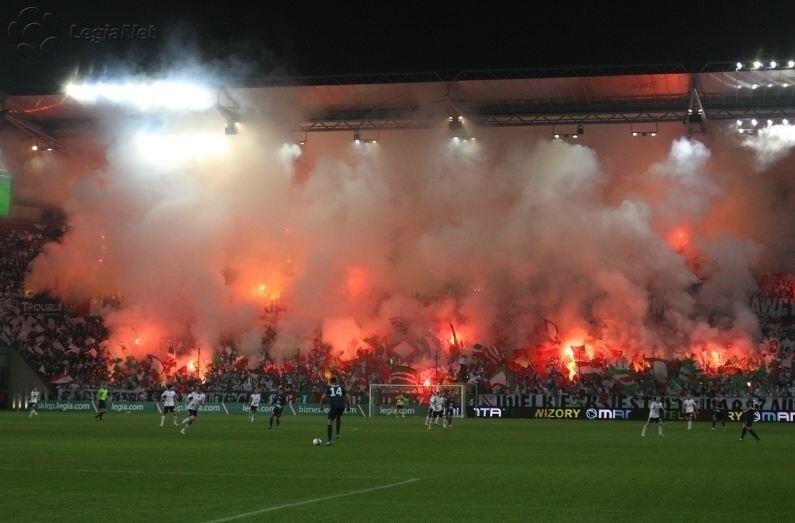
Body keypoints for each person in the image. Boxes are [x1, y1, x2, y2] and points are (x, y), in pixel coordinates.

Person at [319, 377, 348, 446]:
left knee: (330, 423)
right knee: (338, 417)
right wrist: (349, 406)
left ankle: (329, 441)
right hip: (342, 406)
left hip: (334, 406)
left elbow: (322, 398)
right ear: (336, 381)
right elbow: (348, 396)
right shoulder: (341, 387)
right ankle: (337, 434)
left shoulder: (329, 387)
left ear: (330, 382)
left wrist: (321, 406)